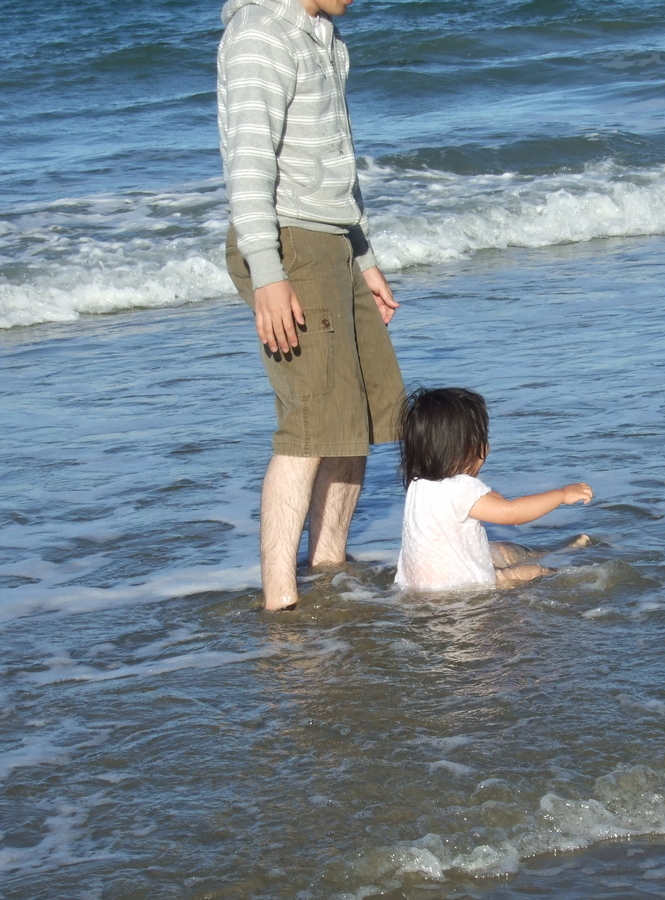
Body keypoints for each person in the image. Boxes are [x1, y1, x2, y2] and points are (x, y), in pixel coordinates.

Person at [217, 0, 405, 610]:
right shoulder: (258, 35)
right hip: (286, 243)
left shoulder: (323, 33)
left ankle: (328, 569)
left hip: (333, 243)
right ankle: (280, 601)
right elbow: (247, 168)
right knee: (310, 422)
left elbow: (335, 161)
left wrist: (364, 254)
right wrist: (268, 274)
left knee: (359, 416)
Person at [395, 388, 594, 592]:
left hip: (417, 586)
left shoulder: (418, 484)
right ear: (467, 448)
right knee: (534, 571)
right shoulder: (461, 488)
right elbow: (513, 513)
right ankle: (569, 568)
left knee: (500, 549)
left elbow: (487, 501)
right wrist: (561, 495)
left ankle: (554, 551)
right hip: (461, 587)